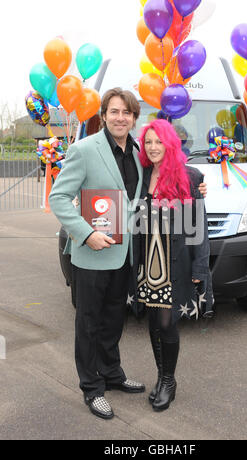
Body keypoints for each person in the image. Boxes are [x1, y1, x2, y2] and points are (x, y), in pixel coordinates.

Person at [49, 88, 207, 420]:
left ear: (134, 118)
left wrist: (198, 184)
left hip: (127, 257)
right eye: (115, 112)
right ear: (103, 114)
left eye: (127, 113)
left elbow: (168, 173)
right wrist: (86, 233)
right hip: (93, 254)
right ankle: (92, 388)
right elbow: (59, 198)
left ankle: (112, 374)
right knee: (89, 323)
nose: (121, 118)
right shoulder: (83, 149)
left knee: (112, 322)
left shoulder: (138, 152)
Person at [130, 119, 214, 412]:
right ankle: (160, 376)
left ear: (170, 143)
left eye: (159, 142)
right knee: (153, 323)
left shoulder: (190, 176)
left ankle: (168, 381)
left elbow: (199, 226)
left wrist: (199, 269)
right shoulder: (140, 174)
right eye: (148, 142)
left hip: (174, 260)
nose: (153, 148)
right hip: (147, 261)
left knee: (167, 322)